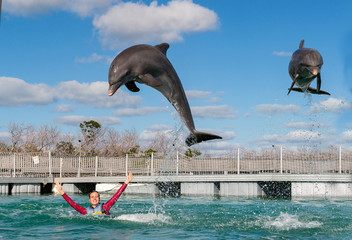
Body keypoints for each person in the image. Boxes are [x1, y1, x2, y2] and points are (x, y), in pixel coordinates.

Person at [55, 173, 133, 215]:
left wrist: (126, 182)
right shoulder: (85, 211)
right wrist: (62, 192)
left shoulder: (106, 206)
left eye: (96, 197)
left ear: (99, 198)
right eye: (92, 197)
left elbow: (117, 195)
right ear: (89, 200)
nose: (94, 198)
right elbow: (73, 204)